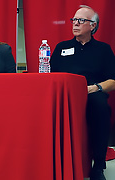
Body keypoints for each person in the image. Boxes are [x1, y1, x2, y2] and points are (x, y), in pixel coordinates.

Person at [50, 5, 115, 180]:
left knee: (101, 107)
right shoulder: (61, 47)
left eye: (81, 20)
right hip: (65, 95)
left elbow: (113, 80)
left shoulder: (103, 49)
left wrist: (96, 88)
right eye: (74, 20)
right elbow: (51, 76)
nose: (75, 24)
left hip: (91, 93)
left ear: (93, 26)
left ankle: (98, 167)